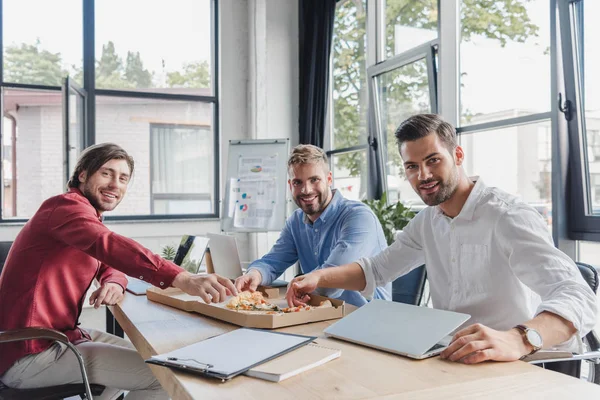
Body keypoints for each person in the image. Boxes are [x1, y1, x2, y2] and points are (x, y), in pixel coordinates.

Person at [286, 114, 598, 364]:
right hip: (452, 358)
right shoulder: (427, 222)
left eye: (433, 160)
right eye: (412, 166)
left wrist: (518, 338)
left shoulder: (507, 216)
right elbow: (377, 270)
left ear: (458, 155)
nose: (423, 175)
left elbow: (579, 297)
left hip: (516, 362)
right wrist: (317, 277)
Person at [0, 143, 237, 399]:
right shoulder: (65, 208)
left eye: (123, 178)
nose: (115, 184)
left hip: (57, 338)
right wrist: (183, 278)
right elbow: (109, 245)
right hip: (30, 353)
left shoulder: (81, 217)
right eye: (106, 173)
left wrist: (114, 282)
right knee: (163, 376)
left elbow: (107, 261)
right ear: (82, 174)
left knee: (150, 359)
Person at [235, 144, 391, 306]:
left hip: (366, 316)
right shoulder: (296, 221)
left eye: (314, 180)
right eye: (298, 182)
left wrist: (295, 287)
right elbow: (272, 262)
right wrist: (255, 274)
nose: (306, 190)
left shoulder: (358, 217)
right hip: (321, 312)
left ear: (329, 179)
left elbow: (332, 281)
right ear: (290, 185)